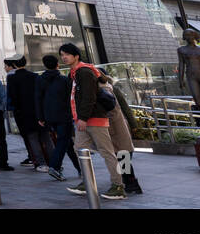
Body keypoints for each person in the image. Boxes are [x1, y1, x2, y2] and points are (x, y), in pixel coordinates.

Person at [59, 43, 125, 201]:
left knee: (107, 152)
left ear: (76, 56)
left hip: (94, 118)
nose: (64, 57)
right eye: (62, 55)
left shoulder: (85, 72)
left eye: (67, 54)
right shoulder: (74, 73)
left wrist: (82, 118)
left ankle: (118, 186)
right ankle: (86, 181)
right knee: (79, 149)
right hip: (83, 119)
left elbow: (89, 97)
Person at [35, 53, 77, 181]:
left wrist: (40, 117)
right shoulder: (64, 80)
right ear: (57, 65)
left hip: (49, 116)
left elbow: (37, 99)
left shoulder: (40, 79)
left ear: (45, 65)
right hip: (64, 115)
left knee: (67, 141)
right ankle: (54, 167)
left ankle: (79, 167)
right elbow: (71, 98)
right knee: (63, 141)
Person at [100, 72, 142, 196]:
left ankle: (131, 184)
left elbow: (125, 108)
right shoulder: (106, 89)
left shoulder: (110, 90)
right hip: (115, 127)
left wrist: (134, 126)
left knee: (123, 155)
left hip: (117, 127)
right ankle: (128, 182)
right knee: (122, 156)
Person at [6, 55, 47, 171]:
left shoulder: (12, 79)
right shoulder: (34, 76)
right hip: (38, 111)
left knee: (32, 138)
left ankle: (40, 163)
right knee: (45, 137)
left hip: (23, 113)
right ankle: (54, 162)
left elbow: (12, 97)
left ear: (14, 65)